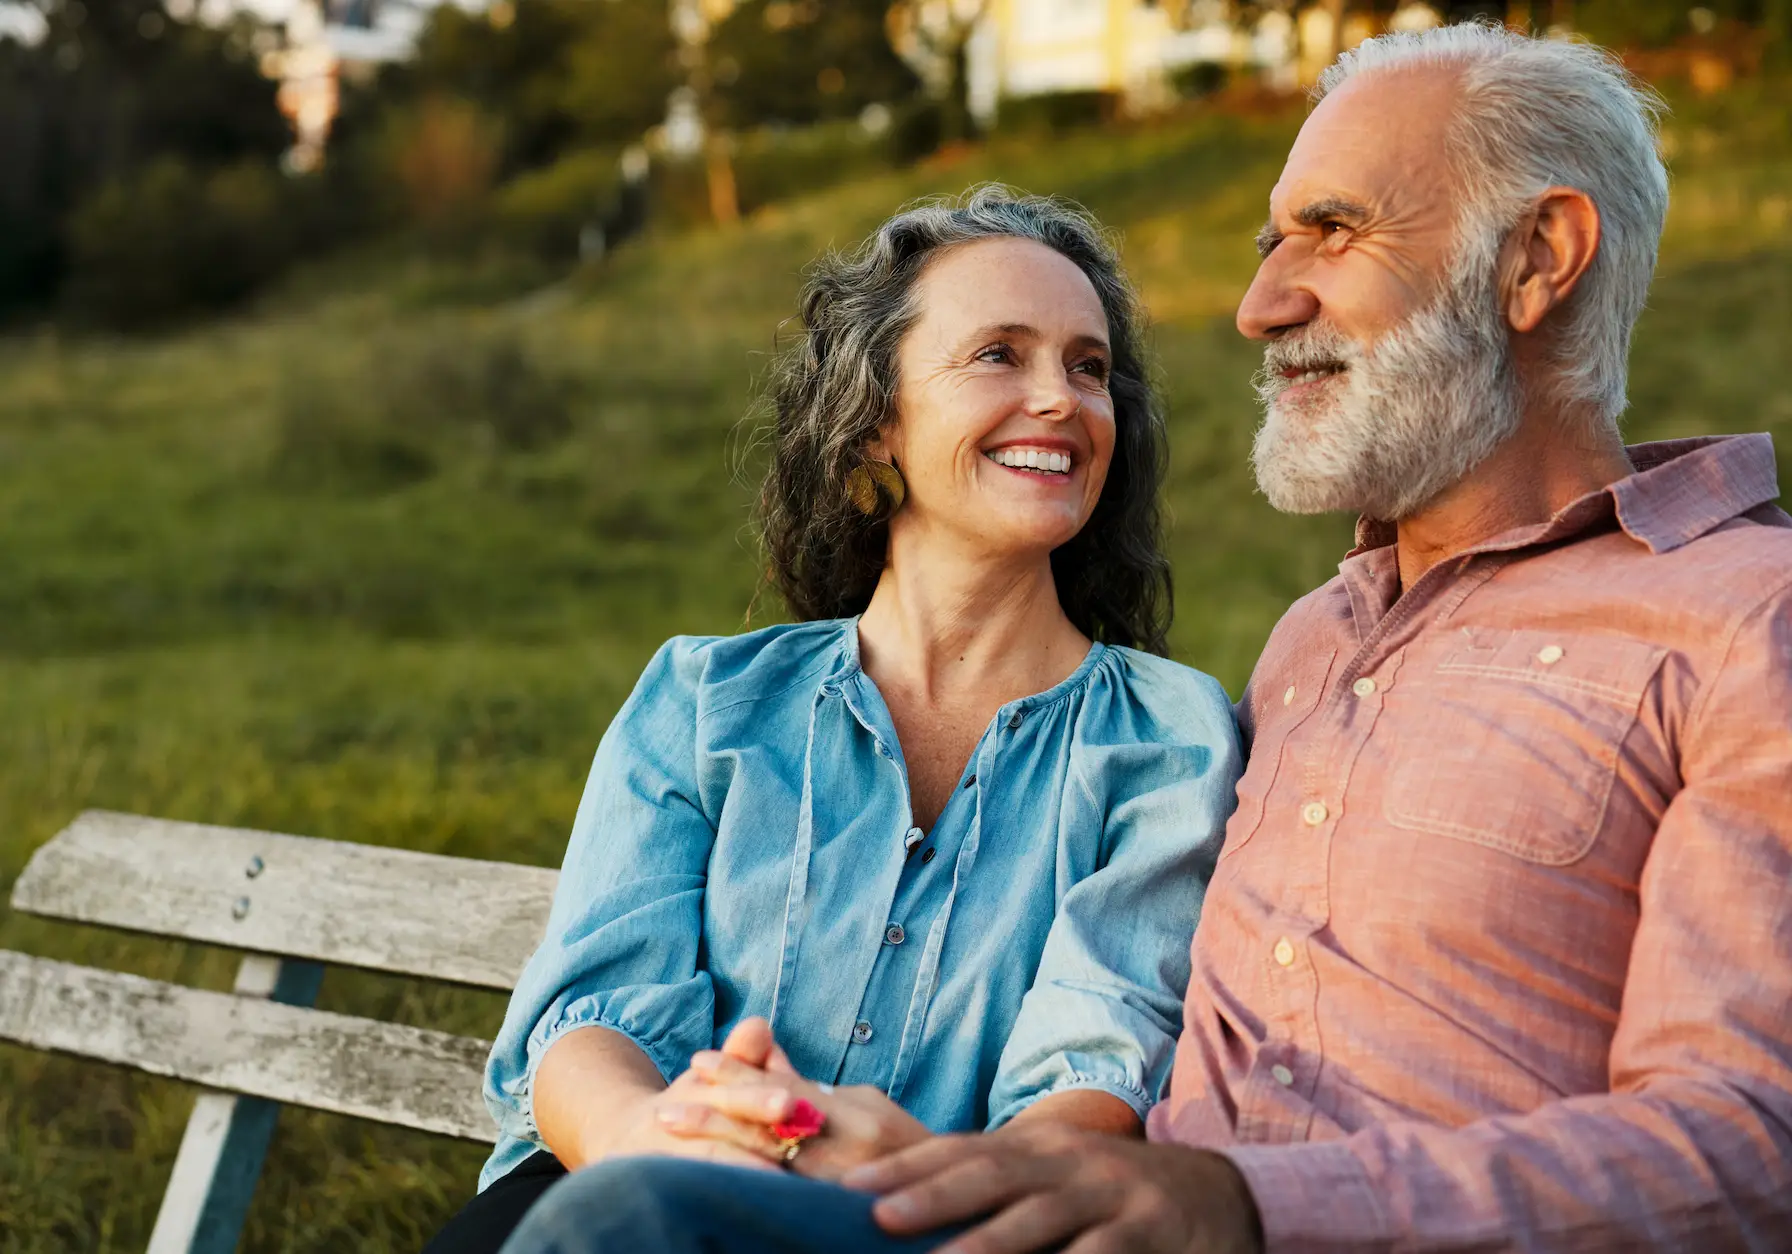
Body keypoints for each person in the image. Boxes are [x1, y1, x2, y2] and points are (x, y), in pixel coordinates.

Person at [495, 22, 1792, 1254]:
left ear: (1536, 258)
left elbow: (1751, 1147)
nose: (1258, 304)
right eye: (1271, 242)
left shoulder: (1745, 619)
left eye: (1333, 230)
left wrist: (1230, 1200)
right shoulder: (1315, 646)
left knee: (632, 1227)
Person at [421, 187, 1243, 1253]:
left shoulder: (1166, 738)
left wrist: (874, 1167)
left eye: (1089, 368)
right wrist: (656, 1144)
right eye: (999, 354)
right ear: (874, 427)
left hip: (937, 1226)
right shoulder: (705, 701)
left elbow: (1092, 1076)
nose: (1061, 399)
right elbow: (590, 1018)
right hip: (622, 1191)